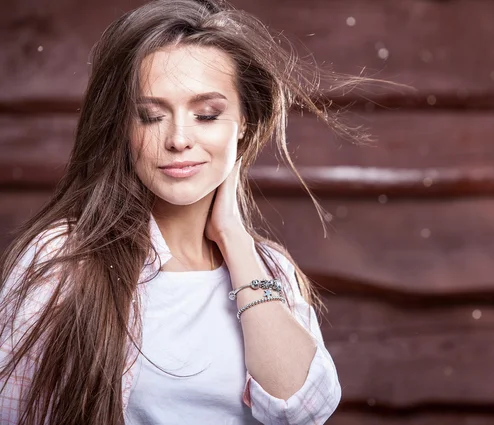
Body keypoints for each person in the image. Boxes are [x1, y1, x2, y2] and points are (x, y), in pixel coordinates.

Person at [0, 0, 377, 423]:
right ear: (122, 129)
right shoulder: (65, 258)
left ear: (244, 124)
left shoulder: (269, 268)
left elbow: (300, 408)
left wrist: (234, 236)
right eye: (150, 116)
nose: (179, 138)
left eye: (206, 114)